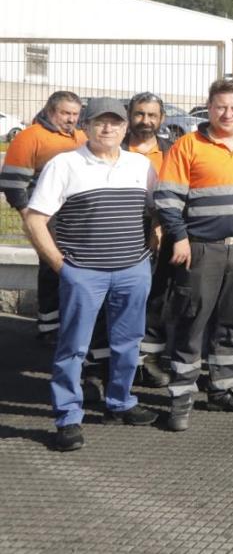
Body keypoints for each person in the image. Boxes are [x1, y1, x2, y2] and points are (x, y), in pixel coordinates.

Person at [24, 98, 159, 451]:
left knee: (128, 344)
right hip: (84, 274)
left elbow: (154, 214)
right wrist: (62, 267)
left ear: (125, 127)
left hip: (133, 270)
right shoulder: (65, 165)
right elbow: (35, 218)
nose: (108, 128)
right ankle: (68, 417)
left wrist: (148, 250)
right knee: (73, 348)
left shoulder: (141, 166)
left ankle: (120, 401)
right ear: (86, 126)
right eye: (100, 121)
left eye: (115, 122)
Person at [156, 79, 233, 432]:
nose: (228, 114)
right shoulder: (188, 145)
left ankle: (223, 389)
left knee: (230, 322)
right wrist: (178, 238)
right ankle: (180, 399)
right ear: (209, 107)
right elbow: (167, 199)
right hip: (199, 250)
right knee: (191, 322)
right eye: (222, 107)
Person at [2, 91, 86, 342]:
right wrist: (30, 216)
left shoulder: (81, 137)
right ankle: (49, 326)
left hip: (75, 217)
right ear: (50, 111)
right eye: (64, 113)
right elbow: (13, 182)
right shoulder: (31, 137)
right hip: (45, 216)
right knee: (52, 267)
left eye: (74, 114)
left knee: (72, 267)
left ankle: (67, 322)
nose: (70, 119)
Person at [125, 92, 175, 388]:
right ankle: (109, 364)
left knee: (157, 299)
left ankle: (149, 361)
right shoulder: (115, 148)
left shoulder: (172, 151)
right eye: (140, 114)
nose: (146, 121)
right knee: (119, 301)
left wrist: (160, 224)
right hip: (121, 234)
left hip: (163, 234)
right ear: (130, 115)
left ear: (162, 119)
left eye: (152, 115)